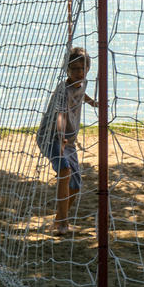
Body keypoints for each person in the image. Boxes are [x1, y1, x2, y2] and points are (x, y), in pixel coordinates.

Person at [37, 47, 97, 237]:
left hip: (68, 140)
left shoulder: (83, 81)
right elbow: (61, 116)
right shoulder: (63, 90)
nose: (79, 72)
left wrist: (93, 103)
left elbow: (82, 94)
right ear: (67, 70)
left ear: (88, 68)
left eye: (82, 68)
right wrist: (62, 137)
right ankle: (64, 223)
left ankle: (57, 219)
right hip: (51, 136)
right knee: (64, 170)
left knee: (76, 186)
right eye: (74, 69)